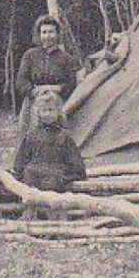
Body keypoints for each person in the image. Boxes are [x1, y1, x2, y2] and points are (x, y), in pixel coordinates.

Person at [11, 85, 87, 216]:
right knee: (29, 177)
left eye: (51, 110)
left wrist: (67, 176)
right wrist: (19, 175)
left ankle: (55, 216)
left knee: (52, 185)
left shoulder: (64, 136)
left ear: (58, 112)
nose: (47, 114)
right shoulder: (31, 136)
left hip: (56, 176)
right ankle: (30, 214)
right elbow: (21, 161)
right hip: (34, 177)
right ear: (38, 113)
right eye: (44, 110)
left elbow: (77, 165)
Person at [14, 14, 82, 139]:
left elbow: (72, 83)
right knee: (30, 137)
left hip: (57, 103)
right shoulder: (30, 55)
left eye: (51, 32)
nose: (47, 36)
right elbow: (21, 81)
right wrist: (34, 91)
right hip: (33, 101)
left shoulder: (66, 58)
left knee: (57, 138)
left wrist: (56, 88)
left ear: (57, 34)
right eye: (44, 32)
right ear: (39, 35)